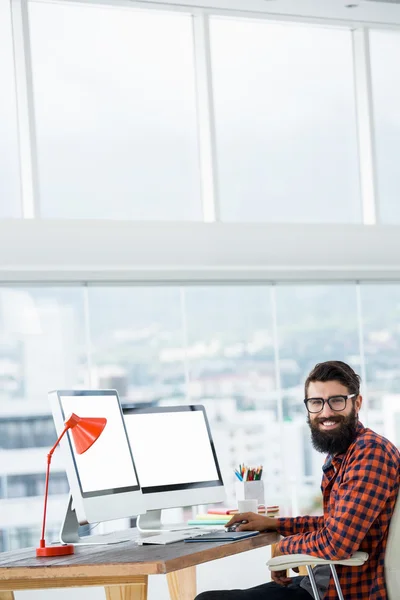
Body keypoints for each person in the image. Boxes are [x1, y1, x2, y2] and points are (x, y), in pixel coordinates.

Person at [195, 360, 400, 600]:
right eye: (316, 403)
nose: (325, 413)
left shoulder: (370, 452)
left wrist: (285, 546)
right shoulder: (344, 453)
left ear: (357, 403)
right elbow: (335, 525)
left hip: (342, 590)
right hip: (322, 582)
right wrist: (274, 525)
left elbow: (337, 543)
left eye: (336, 401)